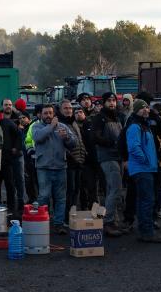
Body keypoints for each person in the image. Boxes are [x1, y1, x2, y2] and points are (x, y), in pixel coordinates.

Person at [126, 100, 161, 243]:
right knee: (147, 201)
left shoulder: (144, 125)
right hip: (142, 169)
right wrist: (145, 160)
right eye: (142, 108)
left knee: (143, 200)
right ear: (136, 110)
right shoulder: (135, 127)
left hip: (147, 168)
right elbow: (133, 147)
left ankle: (144, 230)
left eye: (146, 107)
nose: (146, 110)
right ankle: (148, 232)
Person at [33, 104, 77, 234]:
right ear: (41, 114)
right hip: (44, 167)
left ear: (54, 114)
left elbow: (74, 144)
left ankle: (58, 224)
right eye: (45, 113)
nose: (48, 116)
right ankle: (41, 222)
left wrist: (67, 138)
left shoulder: (62, 127)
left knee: (60, 197)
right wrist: (51, 126)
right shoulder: (37, 126)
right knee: (44, 196)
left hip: (60, 166)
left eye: (50, 113)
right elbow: (37, 138)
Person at [92, 92, 124, 237]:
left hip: (118, 156)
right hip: (107, 157)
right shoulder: (100, 118)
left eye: (114, 100)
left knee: (112, 190)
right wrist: (112, 143)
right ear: (103, 102)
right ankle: (108, 222)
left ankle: (114, 220)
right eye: (109, 101)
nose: (112, 103)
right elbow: (96, 137)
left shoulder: (117, 116)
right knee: (115, 188)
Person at [58, 100, 86, 221]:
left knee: (76, 190)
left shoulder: (74, 123)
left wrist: (83, 155)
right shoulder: (59, 124)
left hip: (79, 162)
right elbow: (61, 146)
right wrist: (73, 158)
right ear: (60, 110)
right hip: (68, 163)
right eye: (65, 108)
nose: (68, 110)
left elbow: (80, 141)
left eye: (70, 108)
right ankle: (65, 217)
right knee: (69, 191)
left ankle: (72, 215)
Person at [0, 102, 18, 212]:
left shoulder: (7, 122)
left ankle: (12, 210)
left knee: (10, 186)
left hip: (7, 161)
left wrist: (16, 148)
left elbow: (18, 135)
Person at [75, 108, 100, 210]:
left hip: (90, 161)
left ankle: (93, 209)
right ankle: (83, 208)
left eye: (80, 112)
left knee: (92, 187)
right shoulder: (73, 126)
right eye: (76, 112)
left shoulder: (90, 125)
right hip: (78, 161)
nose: (78, 114)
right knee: (81, 188)